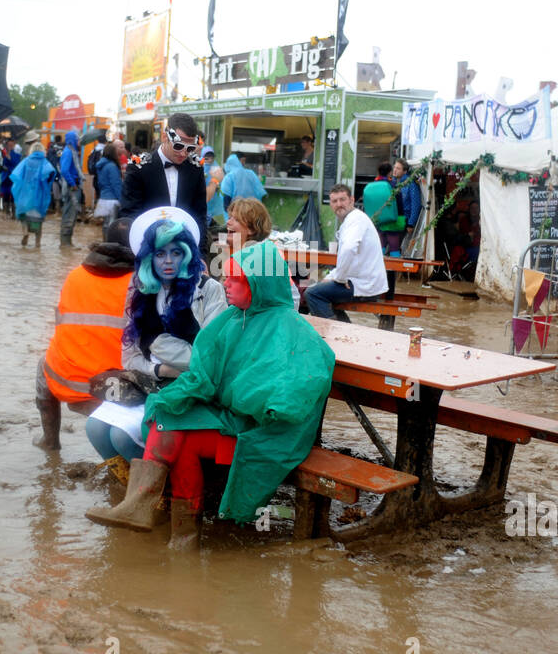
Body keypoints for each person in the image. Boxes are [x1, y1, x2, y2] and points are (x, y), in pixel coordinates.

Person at [87, 240, 334, 550]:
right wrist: (183, 394)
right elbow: (205, 373)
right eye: (226, 276)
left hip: (267, 433)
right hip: (231, 417)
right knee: (168, 414)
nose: (225, 284)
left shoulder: (294, 331)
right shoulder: (234, 320)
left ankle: (164, 520)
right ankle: (179, 533)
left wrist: (237, 396)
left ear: (259, 285)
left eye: (235, 280)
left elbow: (296, 393)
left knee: (175, 430)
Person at [84, 208, 227, 465]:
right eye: (160, 253)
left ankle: (158, 492)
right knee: (94, 428)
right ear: (149, 258)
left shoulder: (209, 289)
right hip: (150, 382)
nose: (168, 261)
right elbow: (129, 358)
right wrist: (160, 369)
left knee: (121, 436)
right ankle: (129, 487)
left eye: (176, 252)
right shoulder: (139, 291)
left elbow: (210, 357)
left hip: (192, 390)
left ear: (187, 253)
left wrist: (158, 344)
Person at [35, 217, 135, 450]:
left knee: (43, 364)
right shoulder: (141, 283)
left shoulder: (74, 275)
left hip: (65, 381)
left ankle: (50, 441)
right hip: (115, 389)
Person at [118, 113, 209, 255]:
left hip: (184, 249)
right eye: (178, 146)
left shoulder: (195, 168)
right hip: (147, 247)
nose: (184, 153)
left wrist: (200, 254)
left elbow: (199, 215)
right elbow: (130, 214)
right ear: (164, 137)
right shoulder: (139, 167)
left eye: (190, 148)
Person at [303, 183, 388, 321]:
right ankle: (345, 330)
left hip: (365, 286)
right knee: (316, 288)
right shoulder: (352, 220)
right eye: (334, 201)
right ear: (330, 204)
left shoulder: (355, 220)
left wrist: (339, 278)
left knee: (312, 294)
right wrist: (332, 277)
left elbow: (348, 249)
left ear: (352, 200)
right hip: (362, 282)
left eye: (342, 200)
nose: (339, 204)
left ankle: (332, 334)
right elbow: (347, 258)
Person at [226, 197, 301, 309]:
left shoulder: (262, 254)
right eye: (229, 217)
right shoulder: (249, 250)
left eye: (236, 219)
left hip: (280, 312)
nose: (228, 222)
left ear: (252, 228)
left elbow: (282, 298)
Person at [10, 134, 57, 248]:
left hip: (25, 193)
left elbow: (16, 175)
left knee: (24, 216)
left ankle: (25, 232)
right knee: (38, 220)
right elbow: (51, 173)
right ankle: (37, 243)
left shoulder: (26, 161)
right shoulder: (44, 162)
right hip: (39, 195)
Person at [361, 161, 402, 254]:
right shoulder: (392, 185)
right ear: (390, 172)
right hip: (392, 220)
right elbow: (399, 201)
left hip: (377, 220)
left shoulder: (371, 185)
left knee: (379, 247)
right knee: (394, 247)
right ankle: (394, 265)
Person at [390, 158, 422, 256]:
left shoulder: (411, 184)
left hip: (404, 220)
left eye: (398, 168)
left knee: (396, 247)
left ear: (405, 171)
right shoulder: (393, 182)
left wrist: (411, 223)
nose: (395, 170)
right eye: (394, 167)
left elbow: (416, 204)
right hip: (392, 219)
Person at [58, 129, 84, 247]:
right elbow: (64, 170)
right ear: (73, 140)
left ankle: (67, 242)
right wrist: (73, 183)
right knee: (70, 213)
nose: (79, 141)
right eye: (77, 139)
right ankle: (65, 243)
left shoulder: (71, 151)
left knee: (71, 213)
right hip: (71, 188)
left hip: (73, 186)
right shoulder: (69, 152)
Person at [93, 142, 123, 228]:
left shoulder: (101, 166)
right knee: (112, 225)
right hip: (112, 200)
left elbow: (99, 183)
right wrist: (121, 200)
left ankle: (104, 241)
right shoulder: (112, 166)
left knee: (105, 225)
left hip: (103, 198)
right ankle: (109, 241)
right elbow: (116, 185)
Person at [203, 146, 226, 229]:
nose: (210, 160)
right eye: (207, 158)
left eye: (211, 157)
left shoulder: (216, 166)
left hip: (214, 196)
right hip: (204, 195)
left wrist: (218, 184)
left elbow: (221, 179)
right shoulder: (199, 167)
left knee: (212, 216)